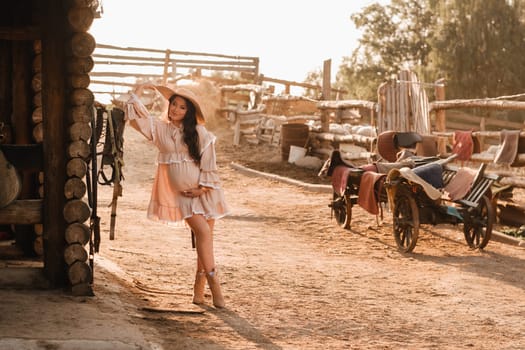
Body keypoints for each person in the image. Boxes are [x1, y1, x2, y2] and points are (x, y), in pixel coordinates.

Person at [125, 84, 229, 308]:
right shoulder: (159, 128)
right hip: (182, 194)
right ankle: (216, 289)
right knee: (202, 232)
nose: (175, 109)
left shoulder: (199, 133)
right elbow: (136, 115)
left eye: (182, 107)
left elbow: (209, 162)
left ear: (188, 112)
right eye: (173, 104)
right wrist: (140, 89)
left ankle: (198, 291)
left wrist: (203, 188)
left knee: (206, 240)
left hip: (205, 190)